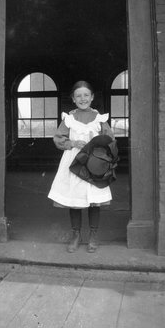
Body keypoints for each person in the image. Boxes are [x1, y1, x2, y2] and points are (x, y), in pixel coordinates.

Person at [48, 81, 115, 253]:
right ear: (73, 99)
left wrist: (98, 144)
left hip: (94, 163)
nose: (82, 98)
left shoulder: (100, 119)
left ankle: (93, 235)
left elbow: (110, 139)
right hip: (74, 163)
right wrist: (71, 142)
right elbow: (58, 138)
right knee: (74, 200)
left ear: (92, 97)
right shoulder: (69, 119)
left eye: (86, 95)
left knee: (94, 201)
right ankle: (76, 235)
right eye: (78, 96)